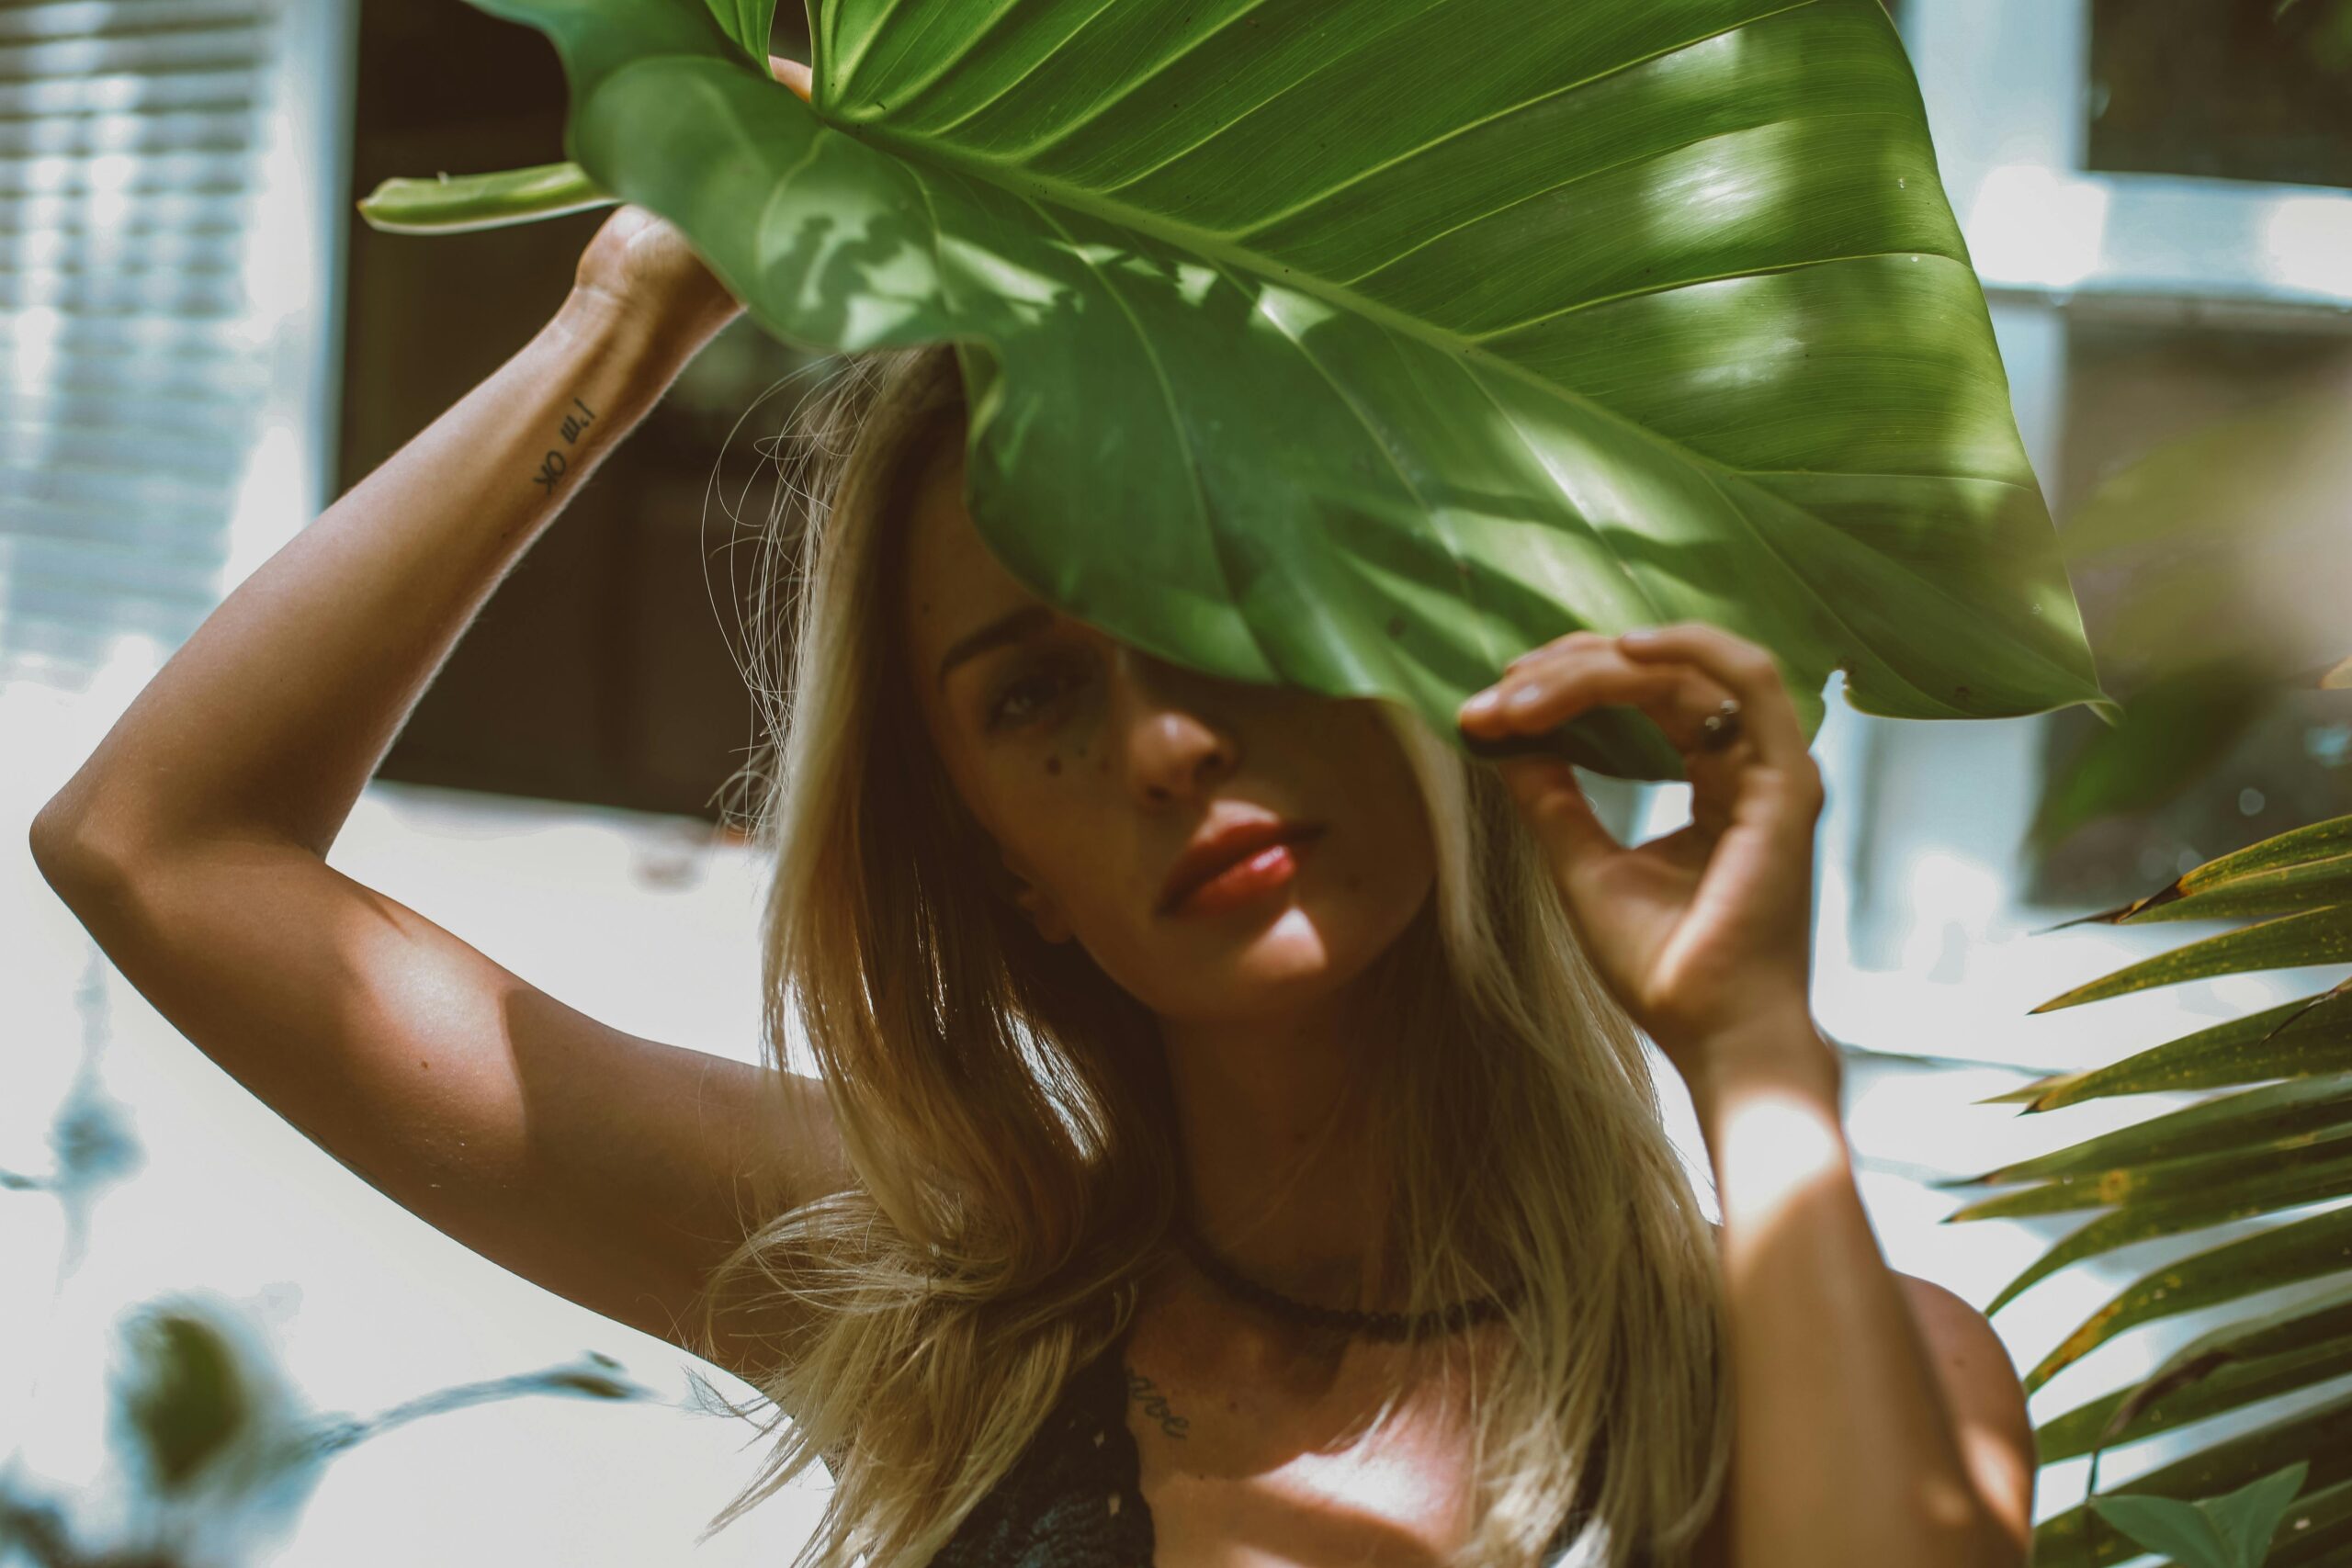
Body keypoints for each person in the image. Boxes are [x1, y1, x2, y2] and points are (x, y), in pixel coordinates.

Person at [29, 57, 2034, 1568]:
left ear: (1409, 657)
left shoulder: (1843, 1370)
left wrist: (1753, 1047)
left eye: (1211, 599)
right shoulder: (947, 1299)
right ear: (1003, 856)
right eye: (1035, 694)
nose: (1162, 738)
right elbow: (162, 847)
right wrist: (622, 325)